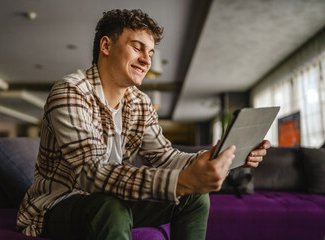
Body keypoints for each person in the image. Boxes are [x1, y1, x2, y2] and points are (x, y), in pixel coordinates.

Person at [16, 9, 270, 240]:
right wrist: (179, 182)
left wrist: (218, 154)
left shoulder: (140, 103)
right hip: (58, 205)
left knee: (195, 198)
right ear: (106, 45)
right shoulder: (70, 91)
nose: (146, 61)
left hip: (112, 199)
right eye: (138, 48)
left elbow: (164, 156)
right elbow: (89, 173)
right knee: (110, 209)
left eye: (149, 53)